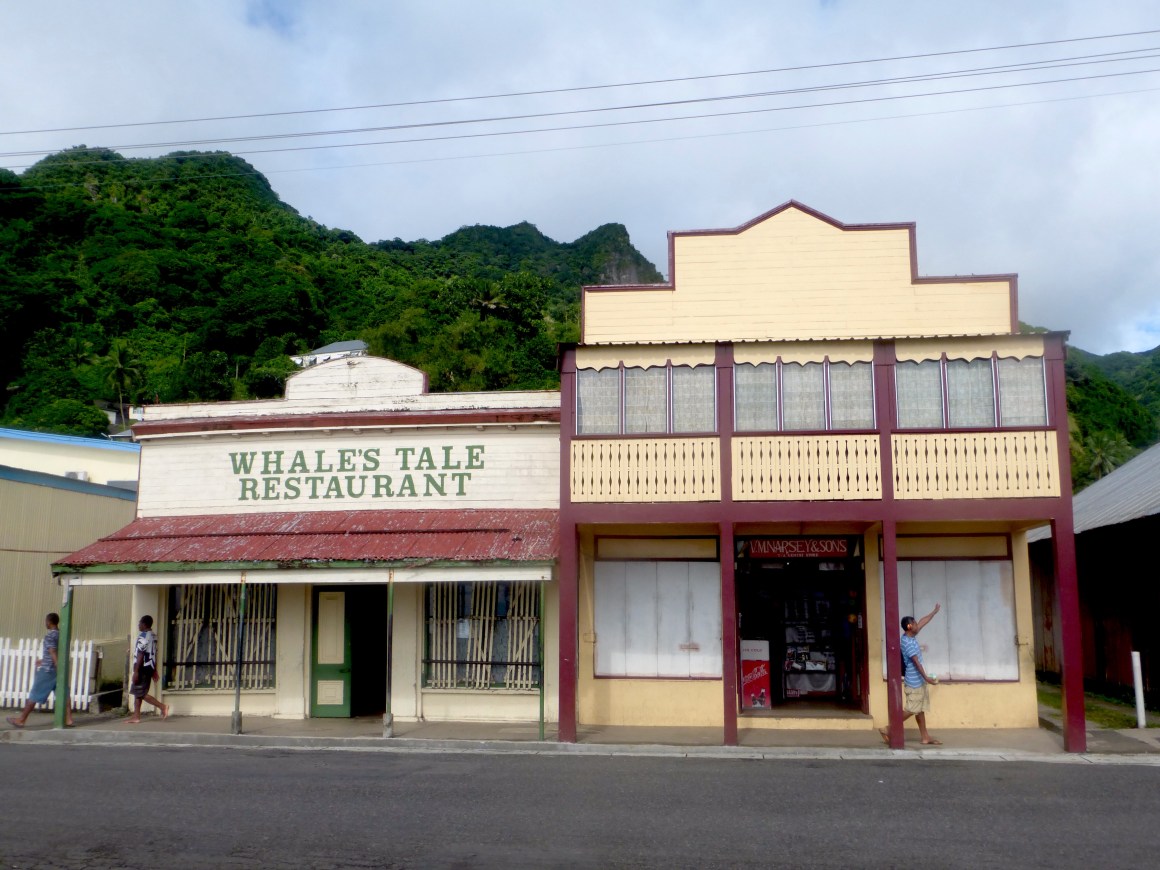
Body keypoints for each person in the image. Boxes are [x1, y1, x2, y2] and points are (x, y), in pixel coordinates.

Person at [882, 604, 942, 746]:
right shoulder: (908, 643)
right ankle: (888, 728)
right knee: (911, 709)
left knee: (920, 710)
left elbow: (922, 621)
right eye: (914, 623)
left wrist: (933, 612)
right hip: (914, 682)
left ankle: (925, 737)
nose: (917, 625)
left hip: (919, 681)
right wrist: (927, 678)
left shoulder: (909, 635)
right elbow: (916, 663)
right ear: (909, 626)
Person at [6, 612, 74, 728]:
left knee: (35, 694)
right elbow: (58, 652)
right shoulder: (61, 635)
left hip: (48, 671)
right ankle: (68, 719)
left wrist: (55, 666)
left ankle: (21, 719)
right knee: (64, 694)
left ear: (49, 622)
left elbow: (52, 652)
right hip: (57, 669)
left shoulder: (49, 636)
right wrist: (46, 662)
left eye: (46, 621)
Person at [126, 615, 168, 724]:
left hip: (142, 668)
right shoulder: (153, 636)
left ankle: (162, 707)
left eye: (140, 623)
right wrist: (154, 670)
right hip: (149, 667)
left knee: (141, 693)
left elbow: (141, 653)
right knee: (138, 692)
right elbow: (154, 653)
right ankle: (136, 716)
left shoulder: (143, 636)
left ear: (144, 624)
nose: (138, 625)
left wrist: (136, 671)